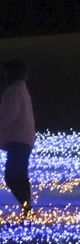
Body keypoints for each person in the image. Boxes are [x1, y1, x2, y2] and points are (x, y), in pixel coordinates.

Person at [0, 61, 32, 210]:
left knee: (12, 177)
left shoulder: (14, 91)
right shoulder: (21, 89)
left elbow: (7, 115)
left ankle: (27, 208)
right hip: (24, 139)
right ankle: (27, 207)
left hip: (17, 139)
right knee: (20, 176)